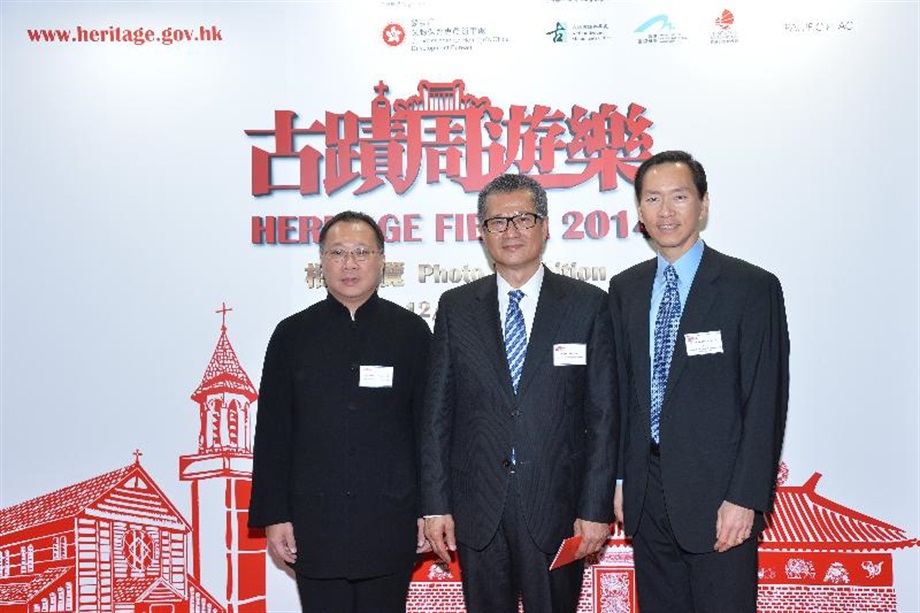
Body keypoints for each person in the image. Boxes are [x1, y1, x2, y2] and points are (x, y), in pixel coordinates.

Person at [421, 174, 618, 613]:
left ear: (546, 227)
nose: (511, 231)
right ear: (481, 233)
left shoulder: (587, 305)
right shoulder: (456, 308)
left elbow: (603, 416)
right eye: (497, 222)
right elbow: (438, 416)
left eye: (523, 218)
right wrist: (435, 505)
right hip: (478, 509)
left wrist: (595, 506)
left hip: (558, 507)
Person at [608, 150, 789, 612]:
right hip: (647, 497)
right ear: (640, 213)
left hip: (719, 499)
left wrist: (744, 498)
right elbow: (624, 393)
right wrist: (623, 480)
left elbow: (765, 400)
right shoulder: (625, 289)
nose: (665, 211)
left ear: (703, 205)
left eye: (679, 196)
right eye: (652, 199)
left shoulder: (749, 287)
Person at [248, 211, 432, 613]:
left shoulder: (412, 334)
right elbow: (273, 433)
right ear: (321, 262)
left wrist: (428, 508)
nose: (349, 264)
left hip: (391, 518)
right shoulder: (291, 335)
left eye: (362, 252)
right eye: (338, 253)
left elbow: (427, 431)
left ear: (382, 260)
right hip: (314, 524)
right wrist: (274, 515)